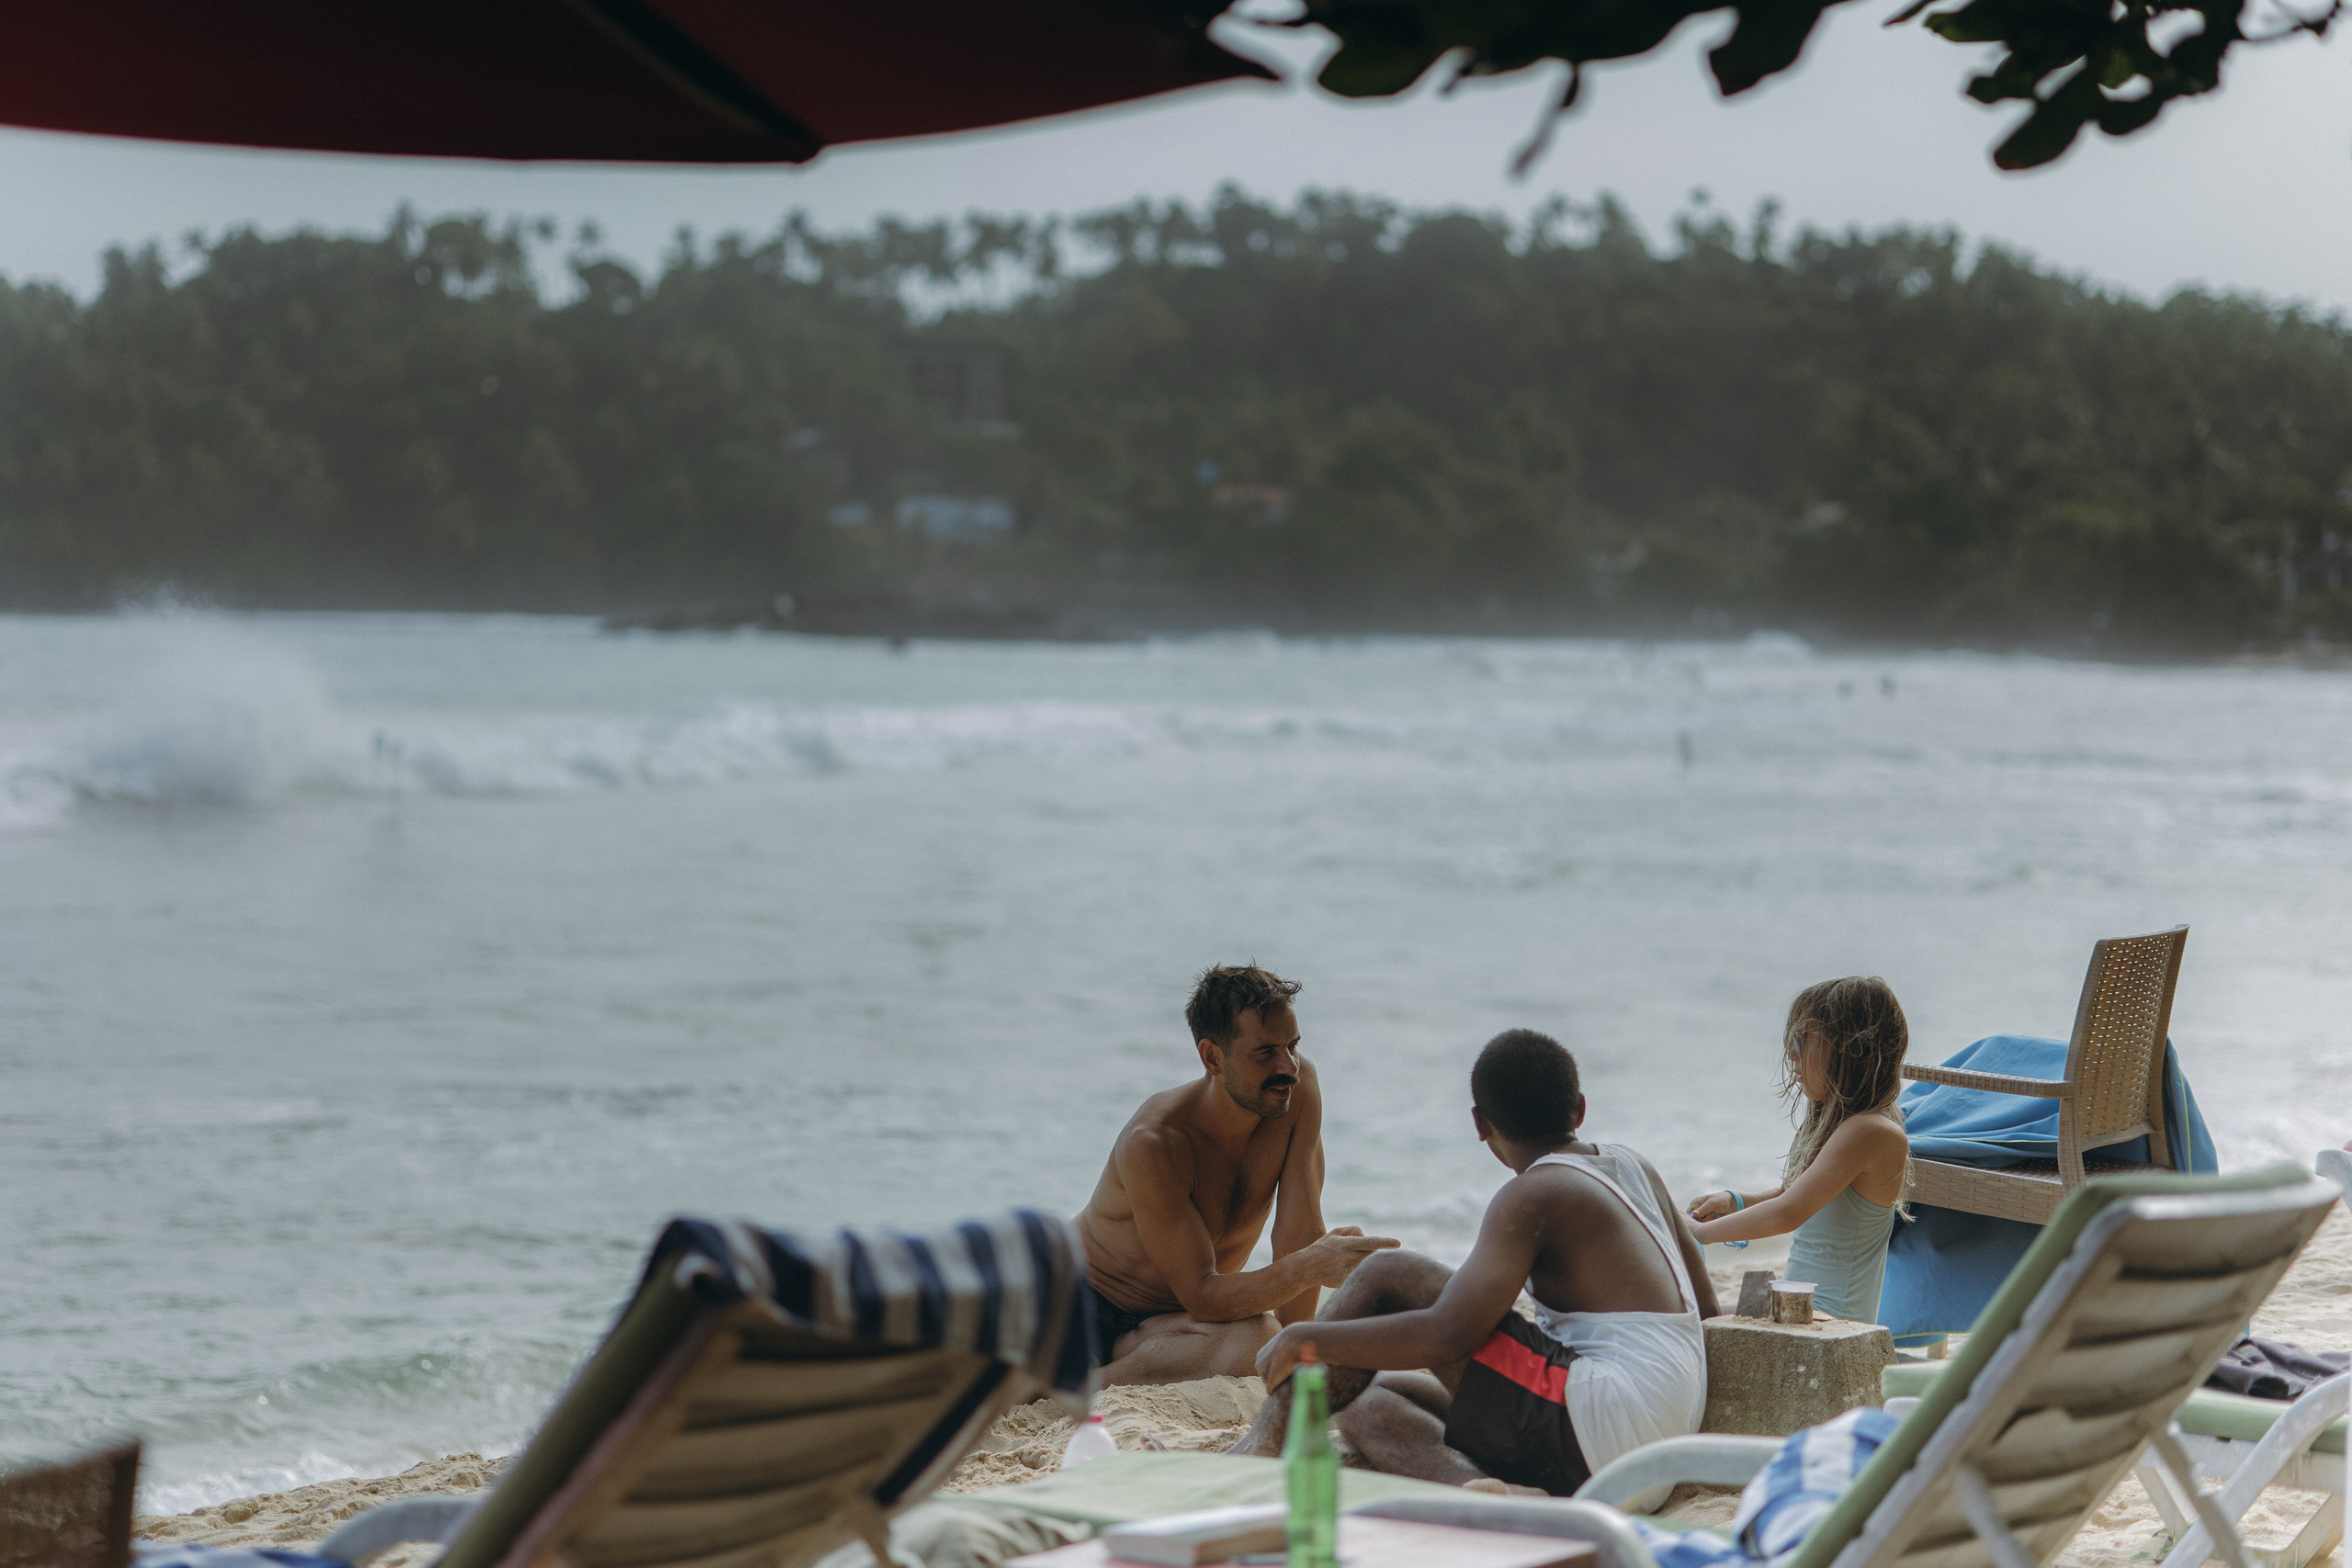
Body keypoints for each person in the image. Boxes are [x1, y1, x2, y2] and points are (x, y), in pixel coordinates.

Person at [1227, 1030, 1718, 1502]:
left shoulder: (1532, 1193)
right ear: (1581, 1109)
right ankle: (1499, 1495)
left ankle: (1260, 1450)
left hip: (1600, 1431)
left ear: (1481, 1124)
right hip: (1655, 1453)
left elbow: (1448, 1335)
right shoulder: (1633, 1165)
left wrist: (1302, 1339)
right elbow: (1706, 1303)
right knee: (1363, 1399)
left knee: (1387, 1274)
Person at [1074, 964, 1400, 1385]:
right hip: (1079, 1299)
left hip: (1168, 1323)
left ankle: (1101, 1376)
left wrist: (1296, 1359)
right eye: (1265, 1053)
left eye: (1293, 1046)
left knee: (1263, 1341)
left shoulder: (1295, 1093)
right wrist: (1311, 1267)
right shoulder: (1156, 1141)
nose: (1288, 1067)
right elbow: (1204, 1294)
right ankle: (1082, 1384)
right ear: (1213, 1058)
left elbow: (1298, 1234)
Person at [1686, 976, 1912, 1324]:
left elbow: (1787, 1213)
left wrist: (1697, 1234)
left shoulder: (1870, 1131)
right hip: (1799, 1308)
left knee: (1680, 1318)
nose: (1792, 1056)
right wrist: (1737, 1201)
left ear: (1849, 1047)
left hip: (1832, 1321)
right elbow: (1798, 1197)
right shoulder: (1843, 1124)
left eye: (1800, 1041)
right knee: (1683, 1314)